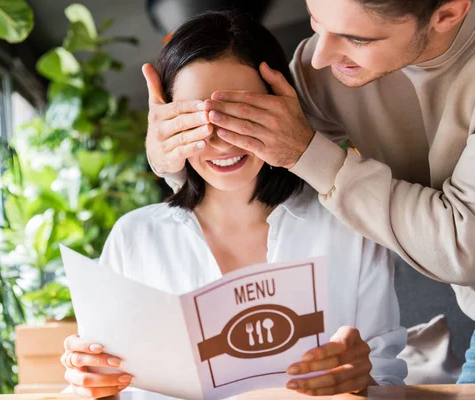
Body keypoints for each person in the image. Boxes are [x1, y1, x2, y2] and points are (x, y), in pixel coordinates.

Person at [60, 11, 407, 399]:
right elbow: (103, 383)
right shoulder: (135, 238)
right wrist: (89, 386)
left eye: (244, 114)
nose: (221, 142)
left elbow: (388, 381)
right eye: (194, 119)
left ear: (281, 107)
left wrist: (362, 380)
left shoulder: (349, 230)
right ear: (166, 119)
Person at [143, 0, 475, 383]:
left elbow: (464, 250)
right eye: (317, 22)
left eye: (355, 38)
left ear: (449, 13)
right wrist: (169, 156)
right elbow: (255, 156)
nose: (318, 57)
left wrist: (306, 152)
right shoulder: (326, 66)